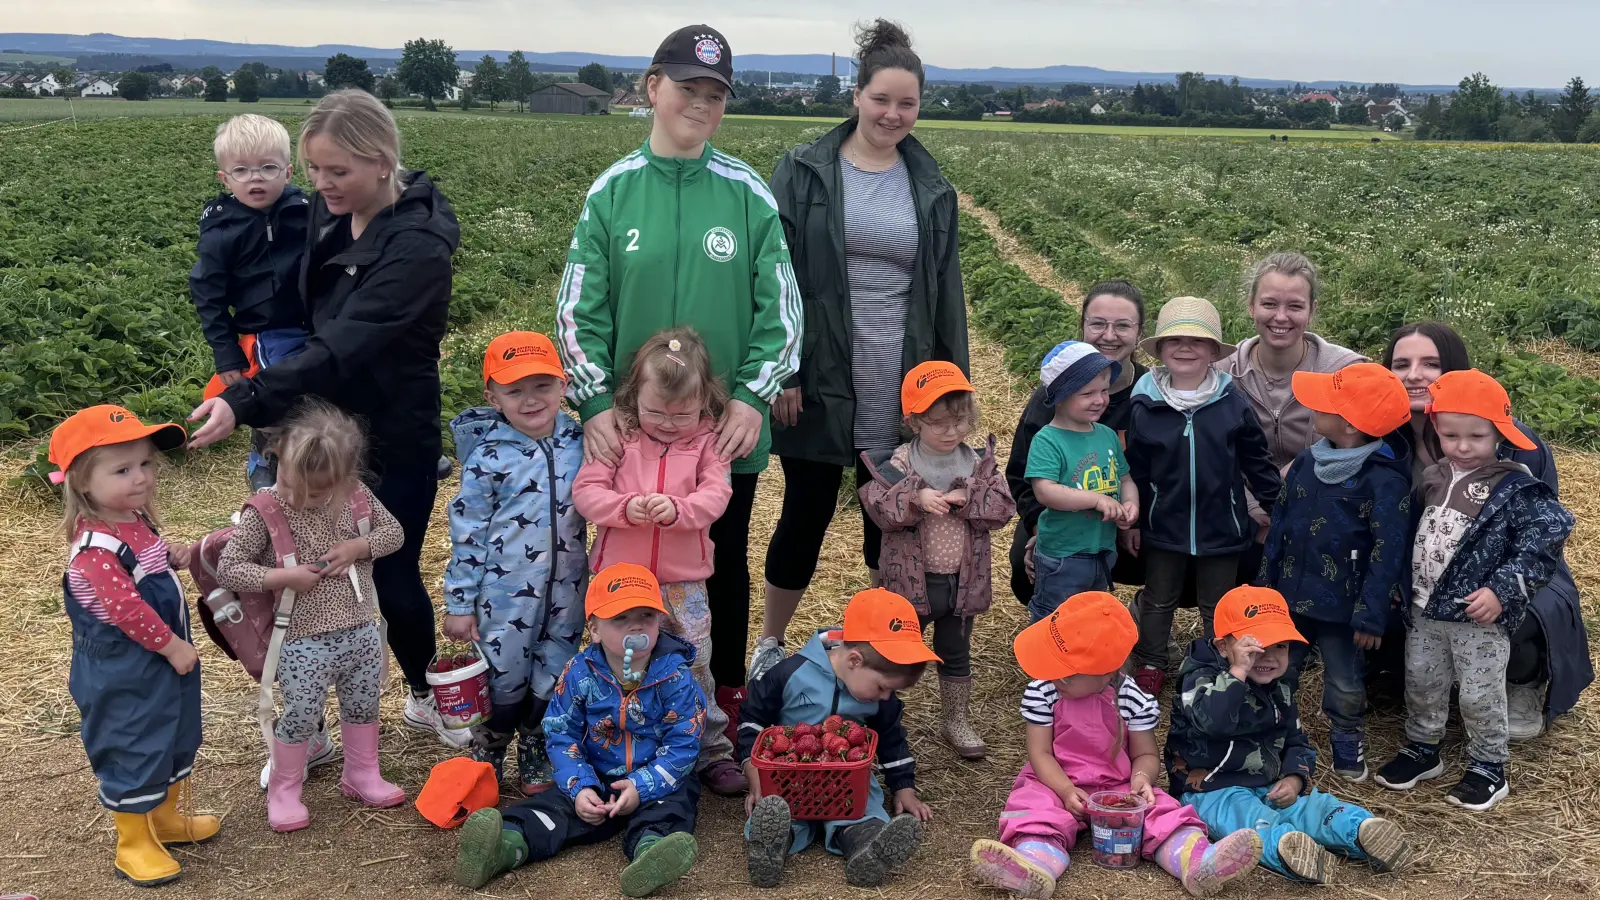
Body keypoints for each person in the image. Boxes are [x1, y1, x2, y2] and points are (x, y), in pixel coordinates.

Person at [185, 89, 466, 748]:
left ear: (381, 159)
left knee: (389, 572)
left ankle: (426, 696)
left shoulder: (417, 246)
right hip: (319, 426)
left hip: (392, 432)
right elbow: (292, 312)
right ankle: (305, 728)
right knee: (300, 574)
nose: (321, 185)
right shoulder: (326, 213)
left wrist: (248, 398)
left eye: (336, 171)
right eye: (313, 170)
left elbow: (343, 344)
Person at [552, 24, 802, 725]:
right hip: (629, 430)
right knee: (621, 566)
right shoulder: (613, 193)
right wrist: (597, 402)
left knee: (718, 561)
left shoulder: (748, 193)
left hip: (719, 432)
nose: (701, 104)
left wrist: (754, 394)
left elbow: (782, 310)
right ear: (652, 87)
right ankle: (614, 708)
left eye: (716, 94)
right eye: (688, 87)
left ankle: (719, 701)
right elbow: (577, 310)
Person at [756, 18, 967, 686]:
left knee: (892, 519)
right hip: (820, 367)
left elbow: (946, 291)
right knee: (807, 511)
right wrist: (782, 368)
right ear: (857, 94)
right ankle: (769, 641)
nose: (893, 114)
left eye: (907, 103)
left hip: (899, 373)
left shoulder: (930, 185)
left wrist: (950, 392)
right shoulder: (805, 170)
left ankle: (885, 646)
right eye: (882, 99)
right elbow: (775, 272)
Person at [970, 592, 1261, 900]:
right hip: (1054, 781)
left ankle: (1197, 861)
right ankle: (1034, 864)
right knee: (1034, 807)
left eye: (1065, 674)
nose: (1054, 675)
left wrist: (1141, 780)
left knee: (1162, 811)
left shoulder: (1131, 697)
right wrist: (1065, 790)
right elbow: (1039, 753)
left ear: (1106, 673)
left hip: (1117, 785)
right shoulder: (1044, 689)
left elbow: (1145, 754)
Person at [1373, 370, 1574, 811]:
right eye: (1450, 435)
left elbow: (1547, 537)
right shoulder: (1434, 476)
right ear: (1437, 432)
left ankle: (1488, 764)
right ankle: (1423, 747)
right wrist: (1400, 586)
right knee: (1423, 680)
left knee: (1479, 690)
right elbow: (1414, 533)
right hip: (1425, 608)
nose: (1463, 446)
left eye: (1476, 436)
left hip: (1476, 615)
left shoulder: (1515, 486)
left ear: (1499, 433)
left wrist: (1502, 590)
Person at [1382, 321, 1592, 735]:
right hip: (1426, 570)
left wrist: (1504, 586)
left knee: (1520, 610)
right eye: (1401, 363)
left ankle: (1522, 678)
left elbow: (1540, 535)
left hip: (1504, 569)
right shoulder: (1385, 441)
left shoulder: (1515, 445)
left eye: (1431, 363)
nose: (1414, 374)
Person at [452, 564, 706, 897]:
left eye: (646, 615)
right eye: (620, 618)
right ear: (595, 629)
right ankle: (504, 846)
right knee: (551, 810)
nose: (636, 626)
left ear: (659, 621)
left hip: (657, 778)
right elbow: (561, 734)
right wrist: (580, 786)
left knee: (673, 806)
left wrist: (641, 786)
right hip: (596, 774)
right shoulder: (579, 673)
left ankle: (650, 854)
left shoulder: (675, 677)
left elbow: (683, 744)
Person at [216, 400, 407, 831]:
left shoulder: (357, 496)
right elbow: (229, 567)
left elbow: (393, 531)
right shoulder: (264, 510)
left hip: (359, 626)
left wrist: (360, 547)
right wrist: (280, 575)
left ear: (344, 479)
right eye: (289, 481)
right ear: (276, 455)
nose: (300, 497)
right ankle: (285, 788)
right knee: (301, 711)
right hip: (301, 636)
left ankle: (361, 773)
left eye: (317, 492)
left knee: (363, 704)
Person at [51, 405, 219, 886]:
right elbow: (127, 611)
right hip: (124, 669)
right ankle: (133, 842)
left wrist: (171, 556)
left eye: (145, 464)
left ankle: (163, 819)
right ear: (82, 482)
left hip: (160, 662)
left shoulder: (132, 518)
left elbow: (148, 568)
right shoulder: (96, 551)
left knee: (172, 732)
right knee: (133, 743)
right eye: (123, 470)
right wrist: (171, 647)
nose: (141, 477)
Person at [573, 327, 745, 794]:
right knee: (617, 660)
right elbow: (587, 492)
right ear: (633, 396)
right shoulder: (620, 435)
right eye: (655, 411)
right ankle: (619, 746)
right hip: (621, 582)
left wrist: (680, 511)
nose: (667, 423)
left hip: (681, 581)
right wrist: (625, 508)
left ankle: (711, 751)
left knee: (695, 661)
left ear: (705, 401)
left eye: (681, 414)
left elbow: (717, 494)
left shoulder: (708, 441)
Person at [1167, 586, 1411, 885]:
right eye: (1255, 648)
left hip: (1269, 784)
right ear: (1222, 646)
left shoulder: (1281, 686)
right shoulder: (1199, 679)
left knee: (1315, 807)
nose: (1269, 656)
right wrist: (1237, 674)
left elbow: (1297, 739)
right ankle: (1289, 851)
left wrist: (1295, 777)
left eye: (1280, 646)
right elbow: (1213, 723)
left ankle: (1360, 831)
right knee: (1251, 820)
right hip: (1212, 790)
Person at [443, 331, 588, 796]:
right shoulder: (487, 456)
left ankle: (536, 743)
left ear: (563, 385)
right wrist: (460, 603)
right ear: (492, 396)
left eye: (542, 385)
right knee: (503, 672)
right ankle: (491, 743)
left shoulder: (581, 440)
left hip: (569, 588)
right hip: (503, 595)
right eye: (514, 390)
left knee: (556, 667)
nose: (530, 400)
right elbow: (468, 534)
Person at [1258, 363, 1414, 782]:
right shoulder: (1308, 462)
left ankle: (1346, 737)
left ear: (1347, 423)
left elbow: (1389, 552)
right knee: (1280, 671)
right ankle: (1280, 735)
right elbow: (1280, 526)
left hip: (1344, 610)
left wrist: (1371, 614)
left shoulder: (1384, 481)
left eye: (1322, 404)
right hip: (1291, 600)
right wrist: (1264, 590)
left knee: (1344, 681)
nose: (1312, 409)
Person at [1123, 297, 1280, 697]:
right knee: (1159, 599)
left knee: (1218, 604)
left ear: (1213, 352)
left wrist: (1278, 507)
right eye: (1174, 340)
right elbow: (1136, 469)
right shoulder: (1145, 404)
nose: (1185, 347)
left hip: (1222, 524)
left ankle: (1213, 666)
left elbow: (1256, 461)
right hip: (1164, 523)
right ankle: (1152, 663)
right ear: (1159, 350)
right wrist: (1137, 520)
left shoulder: (1231, 404)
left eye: (1197, 341)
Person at [859, 361, 1015, 758]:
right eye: (939, 424)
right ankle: (882, 719)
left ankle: (956, 720)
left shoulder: (978, 462)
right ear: (914, 421)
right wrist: (915, 498)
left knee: (956, 652)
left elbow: (1002, 508)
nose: (952, 432)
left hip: (963, 581)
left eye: (961, 421)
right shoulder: (897, 463)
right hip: (911, 582)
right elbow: (880, 511)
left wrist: (970, 499)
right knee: (896, 650)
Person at [738, 588, 936, 889]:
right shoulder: (790, 672)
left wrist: (903, 787)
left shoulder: (880, 692)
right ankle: (771, 848)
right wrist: (751, 767)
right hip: (789, 773)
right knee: (777, 810)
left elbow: (891, 737)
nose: (886, 697)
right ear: (855, 660)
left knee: (863, 812)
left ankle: (867, 848)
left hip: (849, 778)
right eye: (883, 688)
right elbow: (752, 719)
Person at [1216, 253, 1365, 583]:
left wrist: (1302, 470)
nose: (1280, 317)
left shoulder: (1346, 372)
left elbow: (1362, 450)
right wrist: (1256, 512)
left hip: (1323, 512)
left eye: (1295, 306)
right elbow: (1216, 458)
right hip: (1244, 516)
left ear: (1312, 311)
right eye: (1269, 304)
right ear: (1251, 306)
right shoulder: (1222, 373)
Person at [189, 113, 312, 491]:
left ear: (288, 172)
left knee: (331, 387)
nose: (255, 178)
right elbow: (207, 294)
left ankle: (344, 454)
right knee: (276, 393)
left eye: (267, 167)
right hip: (265, 330)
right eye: (241, 170)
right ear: (224, 179)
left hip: (316, 322)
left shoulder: (306, 212)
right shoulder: (222, 231)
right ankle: (266, 454)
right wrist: (226, 352)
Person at [1006, 281, 1148, 606]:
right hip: (1067, 521)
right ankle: (1056, 624)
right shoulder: (1051, 397)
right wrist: (1039, 528)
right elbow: (1022, 476)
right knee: (1026, 565)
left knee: (1183, 561)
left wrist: (1132, 517)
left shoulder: (1150, 392)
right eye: (1098, 323)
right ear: (1083, 325)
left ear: (1139, 332)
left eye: (1123, 325)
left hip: (1133, 521)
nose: (1109, 335)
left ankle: (1152, 607)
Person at [1022, 341, 1138, 623]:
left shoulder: (1107, 435)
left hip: (1101, 550)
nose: (1099, 400)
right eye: (1087, 393)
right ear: (1059, 397)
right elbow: (1045, 491)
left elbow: (1125, 479)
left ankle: (1081, 665)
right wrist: (1097, 500)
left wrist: (1130, 504)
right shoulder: (1048, 440)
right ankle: (1047, 664)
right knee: (1054, 615)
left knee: (1090, 615)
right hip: (1062, 554)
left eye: (1103, 391)